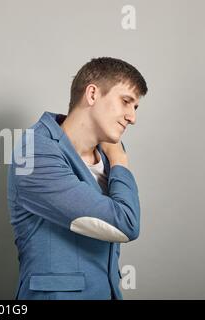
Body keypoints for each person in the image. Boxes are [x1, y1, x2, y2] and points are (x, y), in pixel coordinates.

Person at [8, 57, 148, 299]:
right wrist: (120, 162)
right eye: (126, 102)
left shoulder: (105, 153)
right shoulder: (33, 153)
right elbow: (125, 223)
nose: (132, 117)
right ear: (92, 94)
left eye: (135, 108)